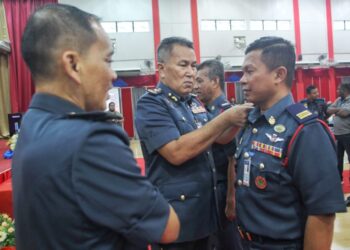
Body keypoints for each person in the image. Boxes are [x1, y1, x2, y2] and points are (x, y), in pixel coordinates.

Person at [12, 4, 180, 250]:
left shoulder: (32, 122)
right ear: (73, 64)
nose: (112, 75)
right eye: (107, 60)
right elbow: (168, 227)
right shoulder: (90, 140)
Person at [135, 37, 252, 250]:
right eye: (183, 65)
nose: (191, 72)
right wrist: (226, 118)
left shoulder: (193, 103)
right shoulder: (151, 104)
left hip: (206, 213)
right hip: (178, 220)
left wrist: (239, 118)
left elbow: (219, 137)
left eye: (193, 65)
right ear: (161, 69)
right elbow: (176, 152)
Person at [235, 36, 346, 250]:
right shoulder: (252, 122)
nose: (242, 79)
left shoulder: (306, 130)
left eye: (249, 71)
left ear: (279, 74)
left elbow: (322, 215)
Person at [194, 59, 242, 250]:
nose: (196, 87)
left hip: (223, 188)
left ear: (215, 81)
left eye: (200, 81)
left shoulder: (227, 113)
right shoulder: (202, 110)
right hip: (210, 188)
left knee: (228, 241)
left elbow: (232, 159)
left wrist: (231, 198)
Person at [327, 82, 350, 183]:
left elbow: (345, 113)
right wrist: (339, 110)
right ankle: (339, 179)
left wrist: (335, 110)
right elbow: (328, 110)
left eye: (338, 89)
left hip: (348, 134)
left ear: (345, 90)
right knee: (338, 158)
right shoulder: (339, 100)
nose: (337, 91)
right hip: (338, 135)